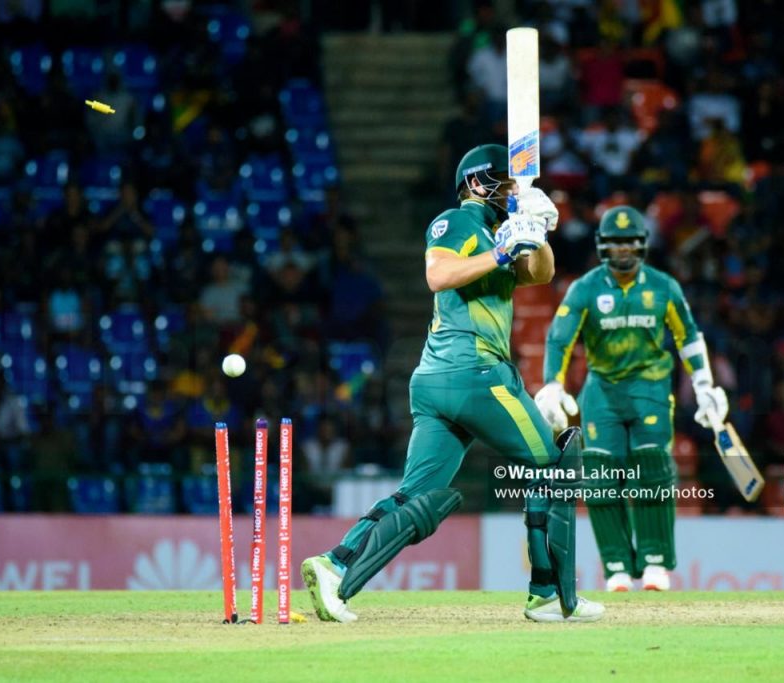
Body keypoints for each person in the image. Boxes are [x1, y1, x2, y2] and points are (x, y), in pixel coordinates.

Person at [300, 144, 604, 624]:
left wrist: (538, 230)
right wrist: (502, 250)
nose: (513, 190)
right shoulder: (458, 221)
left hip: (438, 381)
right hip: (475, 373)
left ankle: (335, 566)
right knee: (554, 465)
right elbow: (438, 274)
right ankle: (548, 594)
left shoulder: (497, 230)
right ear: (478, 183)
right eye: (506, 182)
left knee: (415, 494)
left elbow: (539, 276)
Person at [534, 205, 729, 592]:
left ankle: (655, 561)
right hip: (602, 391)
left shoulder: (663, 286)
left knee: (652, 468)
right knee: (601, 479)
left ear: (642, 245)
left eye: (629, 242)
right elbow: (559, 338)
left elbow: (688, 336)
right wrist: (553, 384)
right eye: (615, 243)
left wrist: (704, 385)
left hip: (650, 388)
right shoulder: (585, 288)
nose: (622, 249)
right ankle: (617, 567)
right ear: (602, 246)